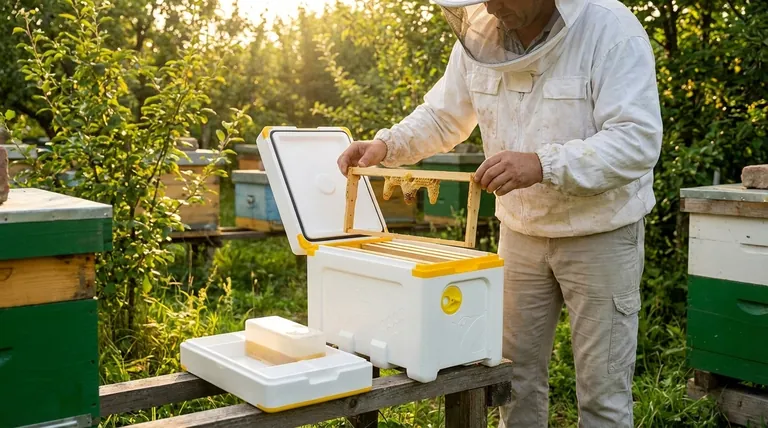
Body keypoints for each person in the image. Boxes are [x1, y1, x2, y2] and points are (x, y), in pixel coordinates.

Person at [337, 0, 662, 426]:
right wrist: (387, 146)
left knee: (603, 391)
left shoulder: (611, 30)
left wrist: (542, 164)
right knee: (514, 379)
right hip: (520, 234)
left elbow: (636, 140)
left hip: (600, 234)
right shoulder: (481, 36)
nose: (490, 6)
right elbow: (442, 116)